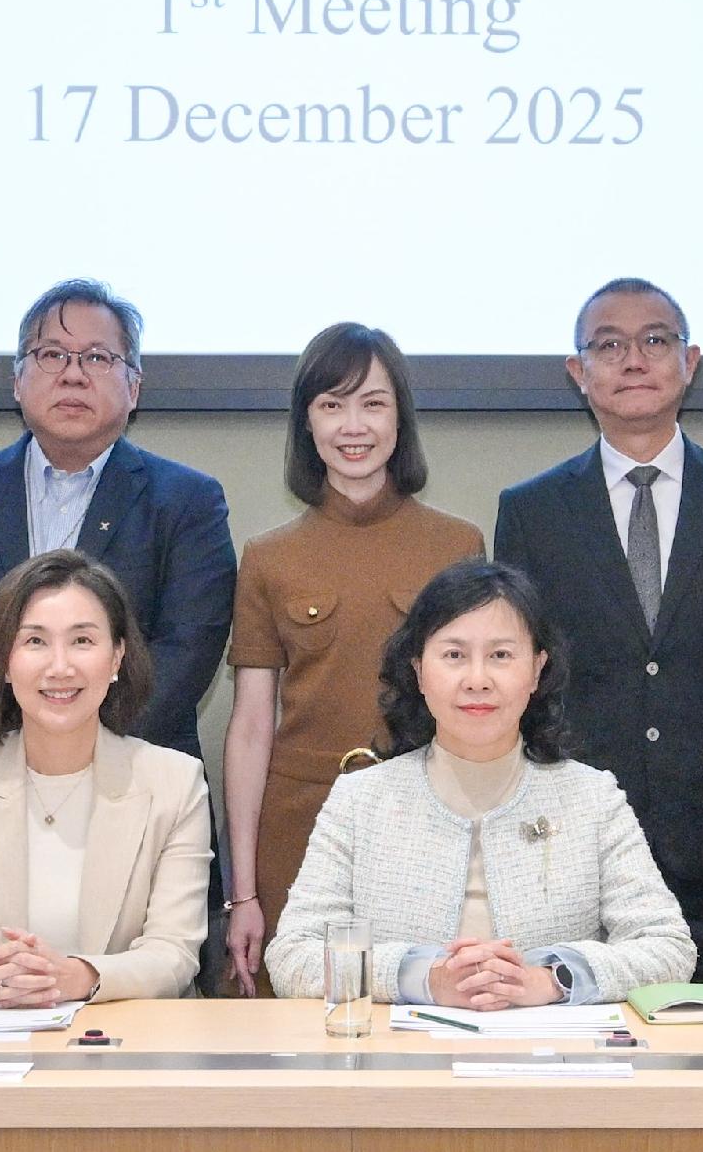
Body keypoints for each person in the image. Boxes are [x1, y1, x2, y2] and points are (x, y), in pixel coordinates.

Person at [491, 276, 703, 990]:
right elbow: (519, 686)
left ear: (689, 361)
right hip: (572, 844)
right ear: (578, 372)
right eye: (609, 345)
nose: (634, 359)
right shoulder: (532, 511)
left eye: (654, 340)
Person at [266, 560, 694, 1005]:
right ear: (418, 670)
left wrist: (548, 981)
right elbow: (294, 957)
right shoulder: (360, 799)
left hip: (551, 1047)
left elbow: (668, 949)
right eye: (454, 655)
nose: (477, 680)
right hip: (405, 1048)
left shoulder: (592, 798)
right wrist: (424, 979)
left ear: (537, 669)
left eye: (501, 656)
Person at [222, 322, 483, 991]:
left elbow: (482, 708)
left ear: (401, 418)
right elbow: (250, 725)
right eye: (331, 404)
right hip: (299, 824)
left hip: (427, 816)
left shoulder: (457, 545)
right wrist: (242, 893)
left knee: (427, 1003)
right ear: (306, 421)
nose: (353, 425)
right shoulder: (268, 557)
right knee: (297, 1017)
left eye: (373, 403)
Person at [0, 280, 238, 758]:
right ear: (17, 382)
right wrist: (17, 740)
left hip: (133, 772)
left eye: (97, 357)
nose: (73, 375)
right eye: (52, 355)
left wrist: (73, 748)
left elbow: (185, 655)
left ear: (134, 388)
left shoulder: (189, 503)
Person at [0, 551, 213, 1003]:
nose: (60, 667)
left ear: (117, 656)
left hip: (126, 1037)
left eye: (82, 640)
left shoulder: (175, 783)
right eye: (35, 641)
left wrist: (75, 977)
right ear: (4, 662)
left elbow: (173, 953)